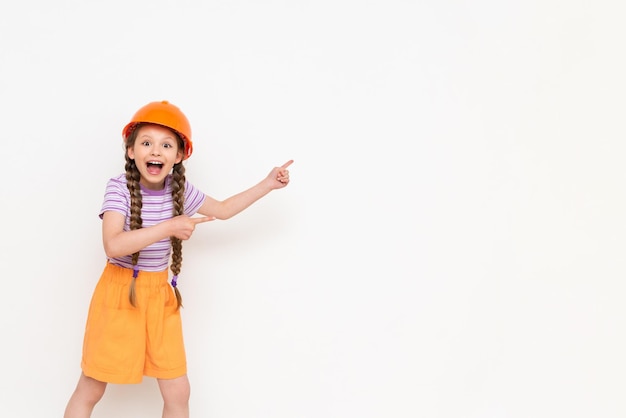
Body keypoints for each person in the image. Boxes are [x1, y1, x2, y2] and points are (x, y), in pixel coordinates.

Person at [63, 100, 293, 418]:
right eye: (146, 143)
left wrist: (268, 184)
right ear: (131, 151)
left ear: (179, 155)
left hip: (160, 296)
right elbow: (113, 245)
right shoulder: (119, 189)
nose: (155, 151)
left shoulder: (179, 190)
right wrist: (169, 226)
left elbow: (224, 210)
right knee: (91, 387)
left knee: (178, 391)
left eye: (166, 144)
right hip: (119, 294)